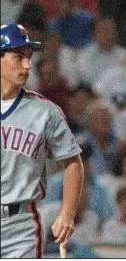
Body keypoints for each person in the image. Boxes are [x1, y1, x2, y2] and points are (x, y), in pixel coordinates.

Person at [1, 23, 84, 258]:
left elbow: (73, 162)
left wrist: (67, 213)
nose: (27, 65)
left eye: (29, 57)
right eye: (18, 57)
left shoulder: (45, 111)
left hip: (21, 226)